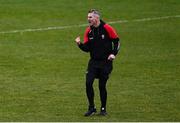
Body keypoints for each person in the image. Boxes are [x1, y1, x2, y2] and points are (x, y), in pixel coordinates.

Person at [75, 9, 120, 116]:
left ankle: (103, 109)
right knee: (88, 83)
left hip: (106, 63)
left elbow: (117, 41)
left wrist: (113, 54)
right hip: (93, 63)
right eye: (88, 17)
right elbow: (87, 49)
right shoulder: (88, 31)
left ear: (97, 18)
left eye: (90, 17)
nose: (88, 19)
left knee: (101, 86)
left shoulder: (107, 28)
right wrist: (79, 44)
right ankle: (91, 108)